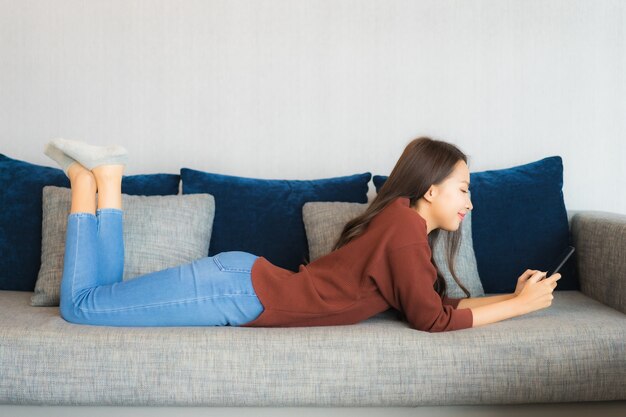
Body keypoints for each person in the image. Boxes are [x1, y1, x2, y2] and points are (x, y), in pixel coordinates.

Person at [44, 136, 561, 331]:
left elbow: (432, 308)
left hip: (241, 283)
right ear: (431, 191)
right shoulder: (403, 225)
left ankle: (101, 182)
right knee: (81, 307)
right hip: (238, 290)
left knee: (98, 299)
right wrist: (521, 306)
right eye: (464, 189)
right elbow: (432, 321)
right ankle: (91, 181)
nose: (471, 201)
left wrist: (512, 296)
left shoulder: (403, 225)